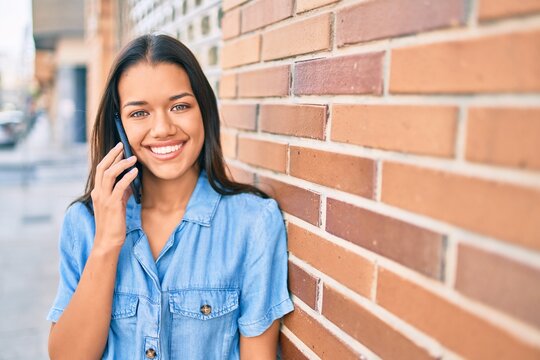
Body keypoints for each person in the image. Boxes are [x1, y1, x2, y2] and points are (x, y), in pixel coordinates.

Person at [46, 33, 295, 359]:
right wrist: (106, 243)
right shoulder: (83, 223)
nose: (162, 128)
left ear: (203, 111)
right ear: (119, 126)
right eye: (139, 113)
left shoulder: (253, 223)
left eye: (179, 106)